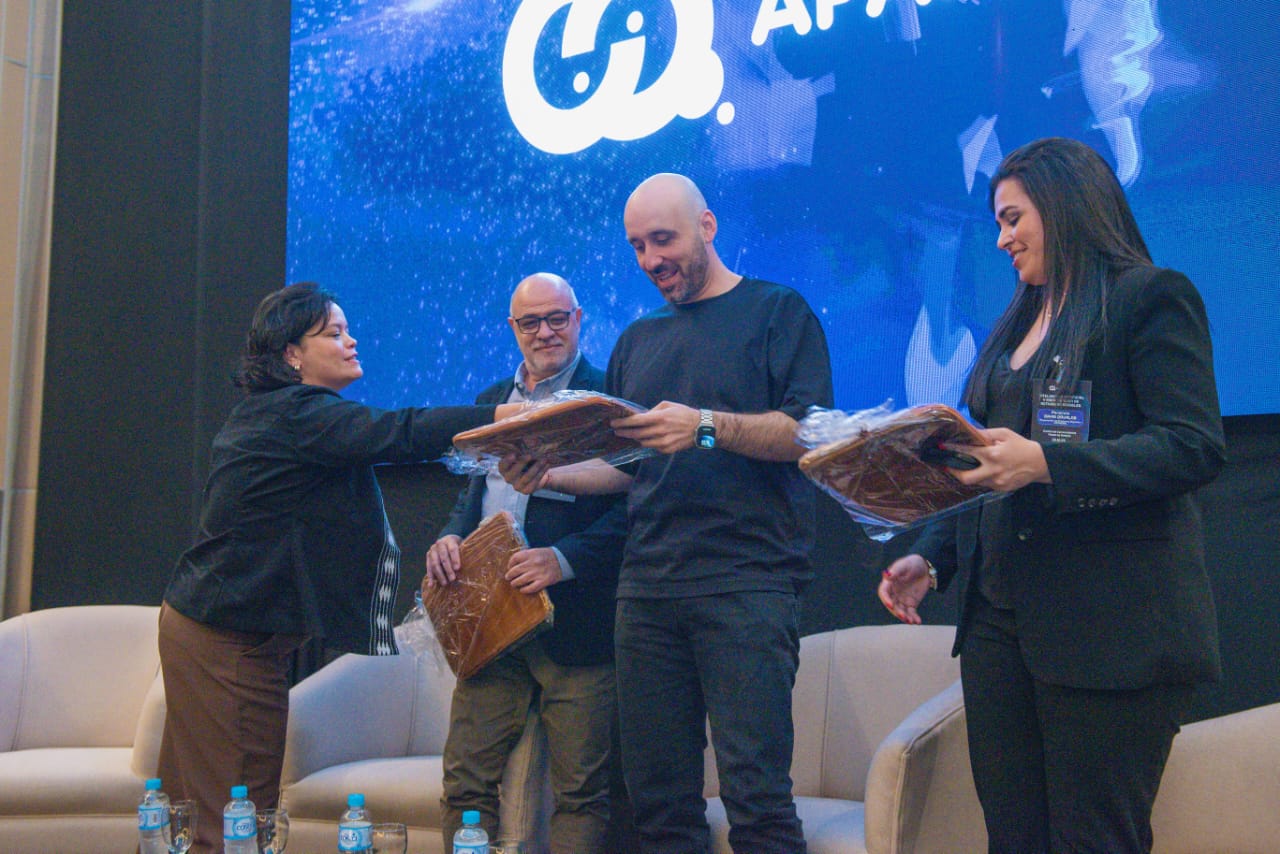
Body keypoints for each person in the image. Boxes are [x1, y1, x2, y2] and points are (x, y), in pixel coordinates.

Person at [878, 137, 1225, 853]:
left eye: (1013, 219)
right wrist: (934, 557)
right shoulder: (1017, 319)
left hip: (1109, 631)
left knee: (1093, 840)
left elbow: (1192, 445)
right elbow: (989, 467)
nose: (1001, 239)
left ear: (1065, 206)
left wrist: (1048, 464)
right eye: (997, 223)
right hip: (1000, 628)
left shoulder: (1148, 298)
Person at [512, 173, 833, 852]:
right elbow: (629, 468)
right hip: (647, 591)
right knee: (657, 809)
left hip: (746, 583)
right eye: (637, 246)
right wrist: (549, 474)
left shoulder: (779, 312)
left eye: (663, 239)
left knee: (757, 801)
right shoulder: (638, 339)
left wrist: (706, 427)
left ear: (707, 226)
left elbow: (810, 435)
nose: (650, 259)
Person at [157, 282, 518, 853]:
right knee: (233, 822)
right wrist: (506, 419)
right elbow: (401, 431)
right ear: (292, 355)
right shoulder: (296, 414)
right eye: (333, 333)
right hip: (227, 643)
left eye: (348, 330)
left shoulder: (278, 414)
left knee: (189, 816)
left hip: (208, 629)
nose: (351, 341)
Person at [425, 273, 625, 852]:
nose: (545, 332)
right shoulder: (494, 401)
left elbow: (639, 506)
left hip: (579, 623)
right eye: (531, 322)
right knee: (464, 785)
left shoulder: (607, 399)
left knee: (581, 794)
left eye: (557, 318)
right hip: (490, 623)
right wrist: (449, 538)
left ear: (579, 319)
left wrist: (566, 558)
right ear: (512, 328)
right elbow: (474, 497)